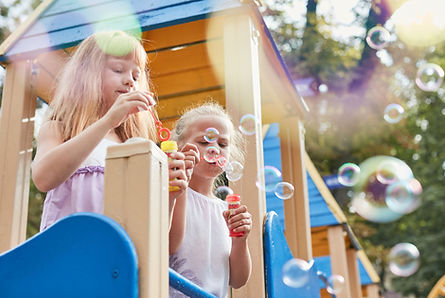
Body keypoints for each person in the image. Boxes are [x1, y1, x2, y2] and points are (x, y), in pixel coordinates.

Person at [32, 30, 192, 231]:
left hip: (117, 258)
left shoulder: (132, 146)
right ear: (85, 75)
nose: (130, 81)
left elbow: (154, 232)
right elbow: (43, 178)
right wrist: (108, 121)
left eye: (136, 75)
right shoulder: (60, 129)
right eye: (118, 69)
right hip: (70, 252)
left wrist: (170, 194)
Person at [169, 102, 252, 298]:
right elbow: (169, 245)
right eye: (204, 142)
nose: (214, 148)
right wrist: (181, 180)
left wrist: (241, 240)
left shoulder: (226, 209)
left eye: (222, 144)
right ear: (180, 146)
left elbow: (238, 279)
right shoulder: (170, 197)